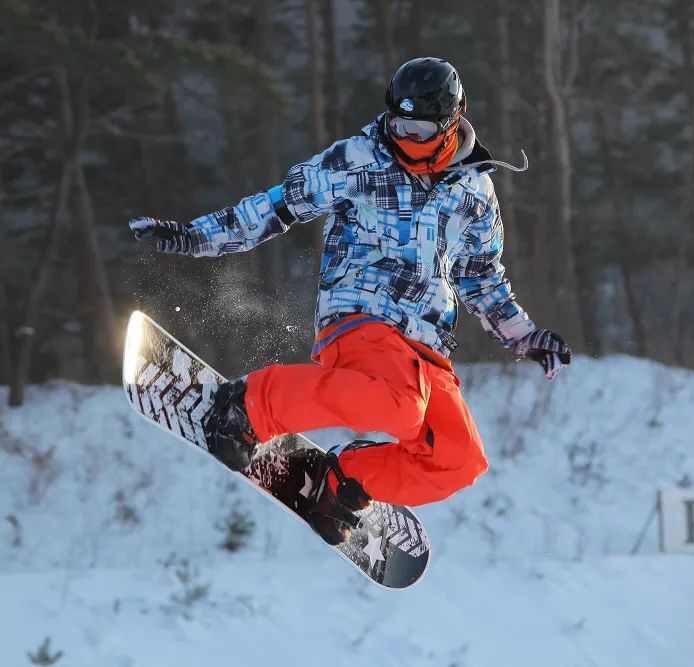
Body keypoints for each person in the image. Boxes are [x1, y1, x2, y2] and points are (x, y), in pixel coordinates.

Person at [130, 57, 572, 544]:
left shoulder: (475, 191)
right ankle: (248, 405)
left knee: (459, 458)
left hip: (425, 345)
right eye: (398, 124)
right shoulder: (359, 160)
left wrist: (525, 337)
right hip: (361, 313)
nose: (405, 138)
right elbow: (276, 206)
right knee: (400, 410)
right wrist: (194, 237)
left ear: (452, 120)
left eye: (420, 129)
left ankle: (343, 484)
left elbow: (481, 276)